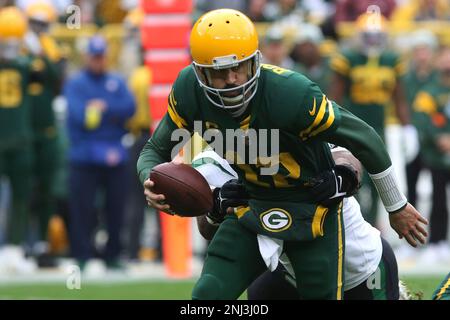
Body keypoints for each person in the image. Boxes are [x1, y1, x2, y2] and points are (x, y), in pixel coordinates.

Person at [138, 9, 427, 300]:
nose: (232, 80)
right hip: (258, 219)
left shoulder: (289, 94)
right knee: (207, 294)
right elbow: (201, 219)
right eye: (218, 72)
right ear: (200, 72)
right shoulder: (195, 106)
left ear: (256, 61)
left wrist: (390, 202)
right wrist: (202, 200)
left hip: (317, 219)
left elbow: (353, 148)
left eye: (239, 67)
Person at [192, 147, 401, 300]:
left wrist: (342, 175)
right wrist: (215, 206)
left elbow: (347, 156)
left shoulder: (289, 135)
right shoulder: (211, 162)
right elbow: (205, 228)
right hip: (291, 270)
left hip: (361, 268)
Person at [329, 12, 418, 226]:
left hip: (379, 126)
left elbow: (399, 97)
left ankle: (376, 224)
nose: (373, 40)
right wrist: (331, 127)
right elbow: (335, 96)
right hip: (352, 125)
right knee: (354, 176)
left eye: (377, 35)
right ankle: (358, 223)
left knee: (380, 176)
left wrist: (407, 128)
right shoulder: (348, 58)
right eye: (368, 35)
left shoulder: (391, 60)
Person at [64, 35, 135, 269]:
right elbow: (79, 117)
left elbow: (130, 107)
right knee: (82, 208)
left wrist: (103, 108)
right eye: (94, 56)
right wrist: (110, 116)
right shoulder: (76, 83)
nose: (98, 61)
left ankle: (113, 254)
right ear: (87, 57)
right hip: (84, 154)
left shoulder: (115, 80)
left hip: (113, 153)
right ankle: (82, 255)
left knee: (116, 208)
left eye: (101, 56)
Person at [24, 1, 66, 258]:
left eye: (42, 24)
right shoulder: (16, 50)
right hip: (22, 131)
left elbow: (57, 80)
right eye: (34, 24)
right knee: (22, 191)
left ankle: (41, 242)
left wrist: (39, 53)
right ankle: (17, 244)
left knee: (46, 190)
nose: (38, 29)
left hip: (46, 130)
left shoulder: (52, 51)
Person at [412, 47, 450, 264]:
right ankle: (437, 241)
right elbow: (422, 119)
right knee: (438, 199)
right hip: (437, 155)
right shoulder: (429, 90)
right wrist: (440, 138)